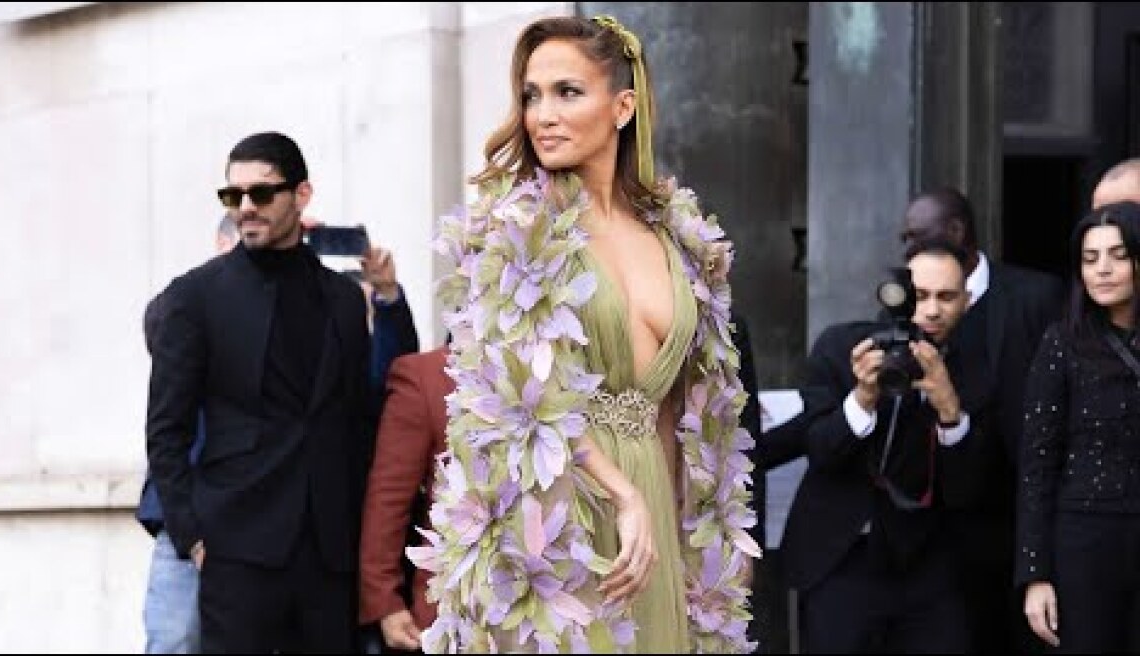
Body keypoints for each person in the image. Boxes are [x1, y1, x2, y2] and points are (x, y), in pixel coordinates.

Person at [407, 15, 755, 654]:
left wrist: (706, 544)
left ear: (622, 107)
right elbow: (518, 400)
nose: (543, 113)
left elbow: (688, 410)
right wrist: (623, 495)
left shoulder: (680, 241)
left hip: (653, 515)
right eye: (532, 95)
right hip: (554, 506)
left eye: (568, 92)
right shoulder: (516, 233)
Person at [145, 131, 416, 653]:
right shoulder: (194, 297)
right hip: (236, 548)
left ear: (302, 195)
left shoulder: (341, 298)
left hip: (327, 554)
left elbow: (362, 417)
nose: (246, 208)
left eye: (262, 194)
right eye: (233, 196)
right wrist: (192, 536)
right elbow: (166, 429)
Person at [781, 240, 986, 653]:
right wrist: (862, 398)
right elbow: (820, 451)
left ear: (967, 300)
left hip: (927, 564)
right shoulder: (843, 349)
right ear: (897, 293)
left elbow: (971, 490)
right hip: (841, 554)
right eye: (920, 295)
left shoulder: (976, 367)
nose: (931, 310)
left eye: (946, 297)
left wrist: (949, 408)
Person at [899, 187, 1064, 653]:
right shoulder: (908, 305)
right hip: (952, 524)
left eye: (915, 233)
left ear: (955, 232)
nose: (907, 244)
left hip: (1025, 509)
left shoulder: (1037, 296)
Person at [1017, 201, 1140, 653]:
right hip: (1085, 537)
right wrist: (1035, 573)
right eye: (1090, 259)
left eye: (1118, 256)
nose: (1102, 270)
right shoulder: (1062, 343)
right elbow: (1037, 463)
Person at [137, 213, 238, 654]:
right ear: (221, 243)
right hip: (184, 515)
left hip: (256, 516)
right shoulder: (188, 301)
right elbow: (159, 326)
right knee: (174, 640)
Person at [359, 344, 453, 653]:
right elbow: (388, 497)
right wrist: (384, 600)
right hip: (452, 608)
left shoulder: (563, 376)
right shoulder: (427, 376)